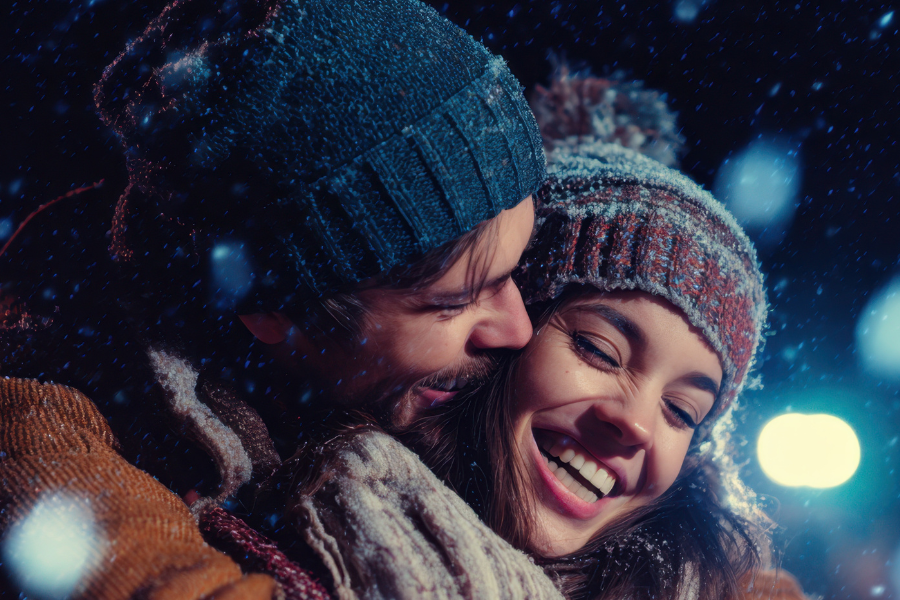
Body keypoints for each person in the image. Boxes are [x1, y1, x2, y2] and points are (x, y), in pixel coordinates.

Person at [0, 0, 546, 597]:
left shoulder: (361, 394)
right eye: (456, 301)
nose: (517, 328)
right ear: (277, 311)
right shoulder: (14, 426)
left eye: (514, 274)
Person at [263, 69, 785, 600]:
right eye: (598, 350)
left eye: (682, 412)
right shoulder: (258, 505)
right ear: (505, 333)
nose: (636, 423)